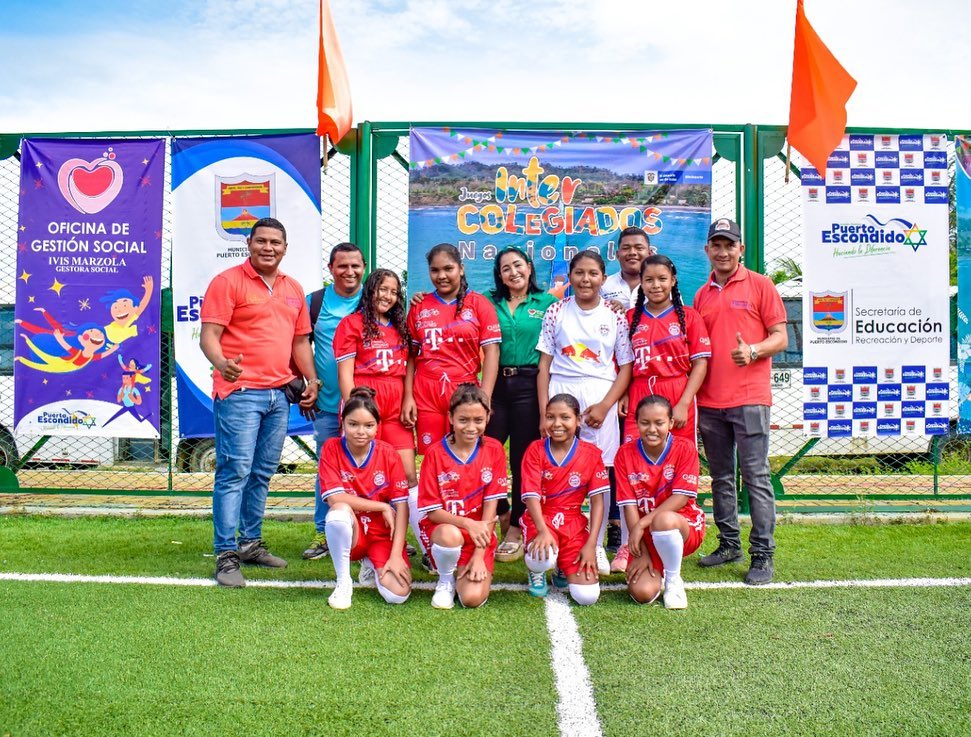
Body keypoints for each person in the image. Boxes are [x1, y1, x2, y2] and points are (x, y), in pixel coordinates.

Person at [200, 217, 320, 588]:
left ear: (285, 248)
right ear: (249, 244)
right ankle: (226, 554)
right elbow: (209, 336)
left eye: (276, 243)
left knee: (263, 473)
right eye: (262, 241)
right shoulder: (227, 282)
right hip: (240, 394)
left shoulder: (294, 288)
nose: (269, 248)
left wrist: (312, 379)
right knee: (234, 472)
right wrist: (222, 364)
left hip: (279, 394)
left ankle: (250, 544)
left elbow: (300, 342)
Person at [692, 218, 788, 585]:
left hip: (750, 400)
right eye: (716, 245)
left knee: (756, 476)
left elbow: (780, 337)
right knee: (720, 477)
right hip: (711, 402)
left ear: (740, 249)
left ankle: (762, 554)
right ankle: (729, 543)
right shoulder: (702, 294)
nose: (722, 251)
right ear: (708, 251)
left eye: (729, 245)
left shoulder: (761, 286)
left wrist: (754, 350)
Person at [536, 250, 633, 576]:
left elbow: (626, 365)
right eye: (579, 273)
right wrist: (543, 413)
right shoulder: (556, 312)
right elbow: (544, 366)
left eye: (593, 273)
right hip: (562, 394)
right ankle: (557, 536)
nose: (586, 279)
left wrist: (606, 405)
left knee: (600, 472)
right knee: (558, 467)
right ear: (571, 277)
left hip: (599, 395)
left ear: (603, 278)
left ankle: (598, 542)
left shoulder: (615, 316)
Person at [612, 254, 709, 573]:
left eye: (661, 279)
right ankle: (630, 544)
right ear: (641, 281)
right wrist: (624, 393)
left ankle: (676, 530)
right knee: (631, 465)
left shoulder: (689, 317)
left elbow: (701, 364)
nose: (655, 285)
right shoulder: (629, 317)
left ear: (673, 280)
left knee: (678, 465)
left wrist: (683, 402)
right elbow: (622, 363)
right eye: (649, 279)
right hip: (640, 394)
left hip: (675, 393)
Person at [333, 269, 420, 548]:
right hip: (367, 405)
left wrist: (408, 397)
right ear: (370, 290)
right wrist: (353, 410)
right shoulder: (352, 324)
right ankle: (366, 537)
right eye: (383, 289)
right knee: (368, 473)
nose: (388, 296)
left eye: (394, 292)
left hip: (396, 407)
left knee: (406, 475)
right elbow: (345, 373)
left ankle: (402, 536)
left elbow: (408, 366)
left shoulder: (400, 326)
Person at [485, 246, 558, 562]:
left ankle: (515, 525)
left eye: (518, 265)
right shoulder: (488, 302)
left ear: (529, 268)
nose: (513, 272)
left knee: (521, 460)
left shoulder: (548, 303)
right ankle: (498, 511)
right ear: (499, 275)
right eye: (505, 268)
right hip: (496, 385)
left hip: (531, 384)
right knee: (485, 451)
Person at [319, 387, 412, 610]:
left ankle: (371, 562)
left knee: (397, 594)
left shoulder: (388, 453)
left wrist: (397, 554)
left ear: (377, 427)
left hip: (381, 535)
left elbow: (402, 506)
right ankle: (343, 583)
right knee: (338, 512)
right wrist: (381, 506)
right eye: (353, 424)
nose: (361, 431)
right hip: (354, 534)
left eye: (369, 425)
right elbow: (334, 498)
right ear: (342, 424)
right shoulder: (331, 448)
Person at [417, 384, 507, 610]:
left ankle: (466, 567)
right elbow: (433, 512)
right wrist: (468, 523)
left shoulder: (494, 450)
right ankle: (445, 579)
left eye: (478, 420)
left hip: (480, 537)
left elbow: (490, 511)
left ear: (488, 417)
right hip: (445, 531)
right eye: (463, 420)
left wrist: (479, 556)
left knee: (471, 599)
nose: (471, 427)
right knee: (450, 534)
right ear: (450, 417)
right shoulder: (435, 453)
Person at [303, 243, 366, 561]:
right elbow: (298, 344)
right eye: (343, 266)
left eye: (356, 265)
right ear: (331, 268)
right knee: (328, 469)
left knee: (373, 468)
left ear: (364, 267)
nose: (350, 272)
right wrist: (309, 381)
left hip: (368, 408)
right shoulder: (315, 302)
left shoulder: (373, 298)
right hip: (328, 405)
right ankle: (323, 531)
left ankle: (374, 532)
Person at [615, 395, 706, 609]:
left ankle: (673, 580)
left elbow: (681, 497)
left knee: (663, 520)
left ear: (671, 423)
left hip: (681, 525)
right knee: (643, 593)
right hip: (646, 534)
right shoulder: (624, 454)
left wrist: (641, 524)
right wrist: (642, 552)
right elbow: (628, 504)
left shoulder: (685, 449)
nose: (652, 429)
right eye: (645, 423)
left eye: (659, 423)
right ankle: (660, 567)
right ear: (636, 423)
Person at [520, 393, 608, 605]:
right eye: (550, 417)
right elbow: (531, 496)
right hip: (541, 518)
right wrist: (542, 530)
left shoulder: (592, 454)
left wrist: (591, 544)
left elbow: (598, 501)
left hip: (573, 524)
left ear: (578, 420)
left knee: (587, 597)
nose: (556, 424)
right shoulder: (535, 450)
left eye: (565, 417)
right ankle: (537, 570)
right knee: (543, 557)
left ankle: (562, 566)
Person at [601, 226, 654, 309]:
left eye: (639, 248)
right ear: (618, 255)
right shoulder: (603, 286)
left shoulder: (661, 286)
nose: (632, 252)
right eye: (626, 248)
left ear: (650, 253)